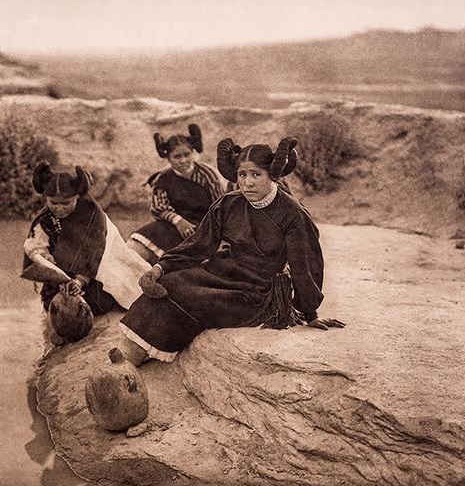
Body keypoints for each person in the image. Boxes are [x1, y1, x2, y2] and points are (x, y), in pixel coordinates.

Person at [118, 137, 345, 365]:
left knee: (192, 296)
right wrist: (160, 267)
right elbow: (198, 245)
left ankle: (133, 357)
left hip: (260, 291)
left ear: (272, 175)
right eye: (242, 175)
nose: (247, 183)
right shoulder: (228, 204)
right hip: (226, 271)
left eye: (256, 175)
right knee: (171, 282)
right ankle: (132, 349)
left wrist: (310, 312)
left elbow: (305, 264)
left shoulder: (292, 213)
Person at [22, 162, 150, 315]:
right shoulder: (45, 220)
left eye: (66, 203)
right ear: (46, 199)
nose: (59, 208)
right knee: (51, 303)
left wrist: (79, 281)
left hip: (95, 272)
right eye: (53, 203)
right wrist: (45, 258)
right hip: (61, 273)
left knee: (100, 303)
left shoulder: (92, 216)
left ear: (77, 197)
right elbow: (36, 245)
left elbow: (95, 254)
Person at [127, 124, 225, 265]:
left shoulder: (208, 174)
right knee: (139, 244)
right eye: (177, 157)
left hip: (204, 226)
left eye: (186, 154)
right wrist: (178, 221)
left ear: (192, 153)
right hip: (173, 225)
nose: (183, 160)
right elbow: (158, 207)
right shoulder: (163, 178)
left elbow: (220, 205)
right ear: (168, 158)